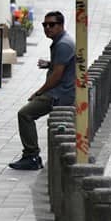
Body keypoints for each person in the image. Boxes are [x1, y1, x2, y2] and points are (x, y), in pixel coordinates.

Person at [10, 11, 75, 170]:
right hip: (62, 90)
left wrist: (39, 92)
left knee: (25, 114)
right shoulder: (61, 41)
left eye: (51, 25)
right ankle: (32, 155)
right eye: (45, 25)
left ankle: (31, 156)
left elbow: (57, 77)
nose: (47, 28)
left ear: (61, 26)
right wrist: (49, 64)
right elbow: (61, 66)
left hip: (60, 93)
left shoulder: (63, 44)